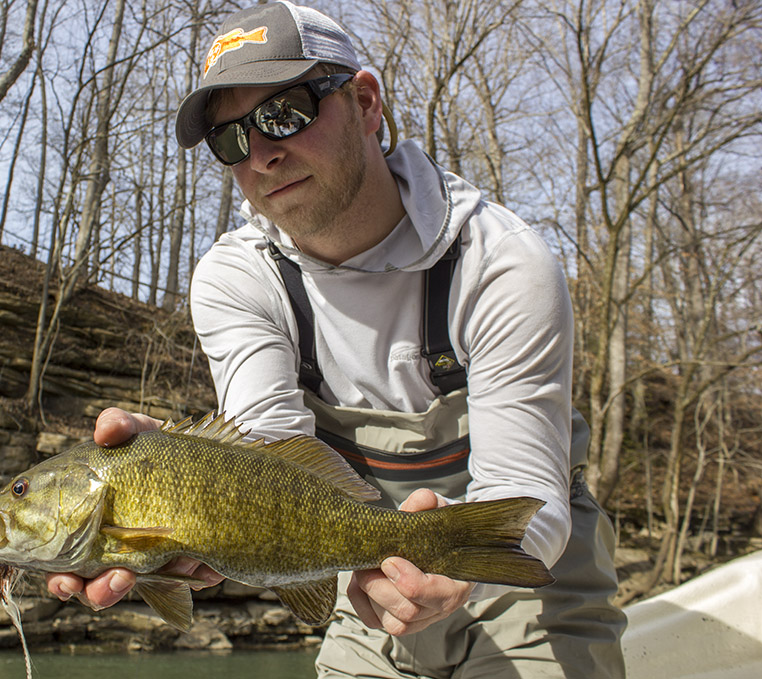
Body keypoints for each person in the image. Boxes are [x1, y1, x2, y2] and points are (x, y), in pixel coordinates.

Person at [48, 2, 627, 677]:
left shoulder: (500, 262)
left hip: (531, 577)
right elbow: (273, 458)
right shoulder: (236, 279)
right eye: (230, 141)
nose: (261, 153)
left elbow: (524, 488)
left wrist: (454, 571)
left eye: (284, 112)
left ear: (365, 102)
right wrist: (180, 476)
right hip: (361, 576)